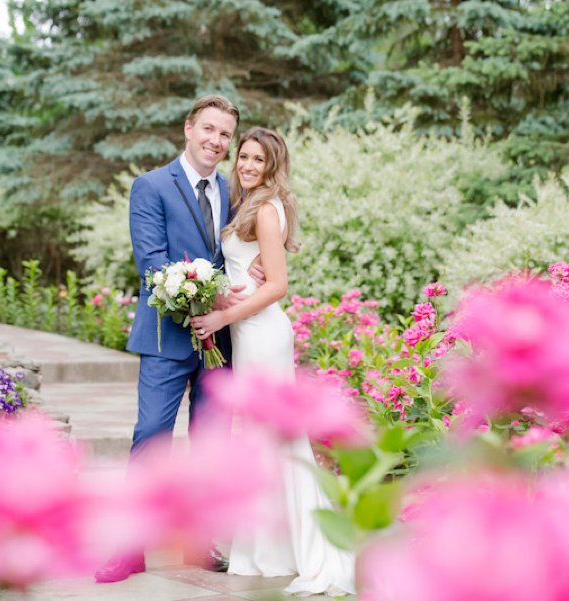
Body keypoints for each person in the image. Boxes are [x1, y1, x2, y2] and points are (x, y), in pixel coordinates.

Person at [191, 128, 356, 596]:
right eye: (243, 156)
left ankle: (295, 548)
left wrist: (222, 313)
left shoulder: (264, 208)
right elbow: (253, 270)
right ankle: (264, 549)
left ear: (271, 166)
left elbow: (277, 286)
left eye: (257, 160)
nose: (246, 165)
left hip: (263, 334)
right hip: (250, 334)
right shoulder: (250, 204)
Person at [94, 94, 245, 584]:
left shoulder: (233, 192)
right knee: (151, 438)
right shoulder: (152, 186)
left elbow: (238, 256)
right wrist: (211, 299)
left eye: (225, 134)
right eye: (209, 129)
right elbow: (152, 265)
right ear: (188, 128)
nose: (216, 141)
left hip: (220, 343)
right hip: (166, 337)